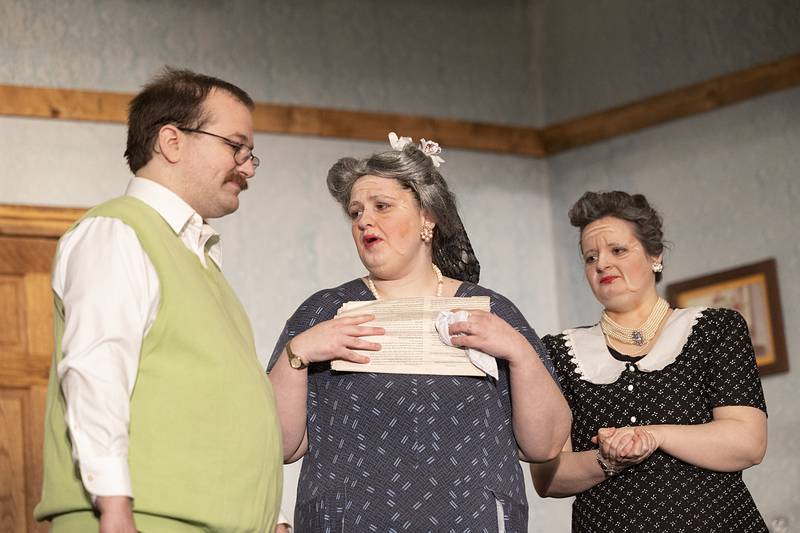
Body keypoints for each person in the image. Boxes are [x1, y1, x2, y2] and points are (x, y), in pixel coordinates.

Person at [267, 133, 571, 531]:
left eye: (382, 206)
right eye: (355, 212)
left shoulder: (492, 313)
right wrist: (298, 353)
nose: (364, 221)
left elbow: (545, 446)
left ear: (428, 216)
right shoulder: (323, 312)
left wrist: (520, 352)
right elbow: (280, 446)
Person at [35, 68, 283, 533]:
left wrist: (274, 517)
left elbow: (222, 405)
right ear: (172, 141)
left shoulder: (201, 259)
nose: (248, 167)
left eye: (251, 154)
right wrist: (114, 511)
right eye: (236, 146)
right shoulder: (118, 232)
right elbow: (96, 371)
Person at [531, 191, 768, 532]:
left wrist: (653, 436)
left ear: (655, 255)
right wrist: (608, 459)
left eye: (618, 250)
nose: (601, 264)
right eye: (590, 257)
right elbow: (547, 477)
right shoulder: (557, 353)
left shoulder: (716, 329)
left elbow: (749, 443)